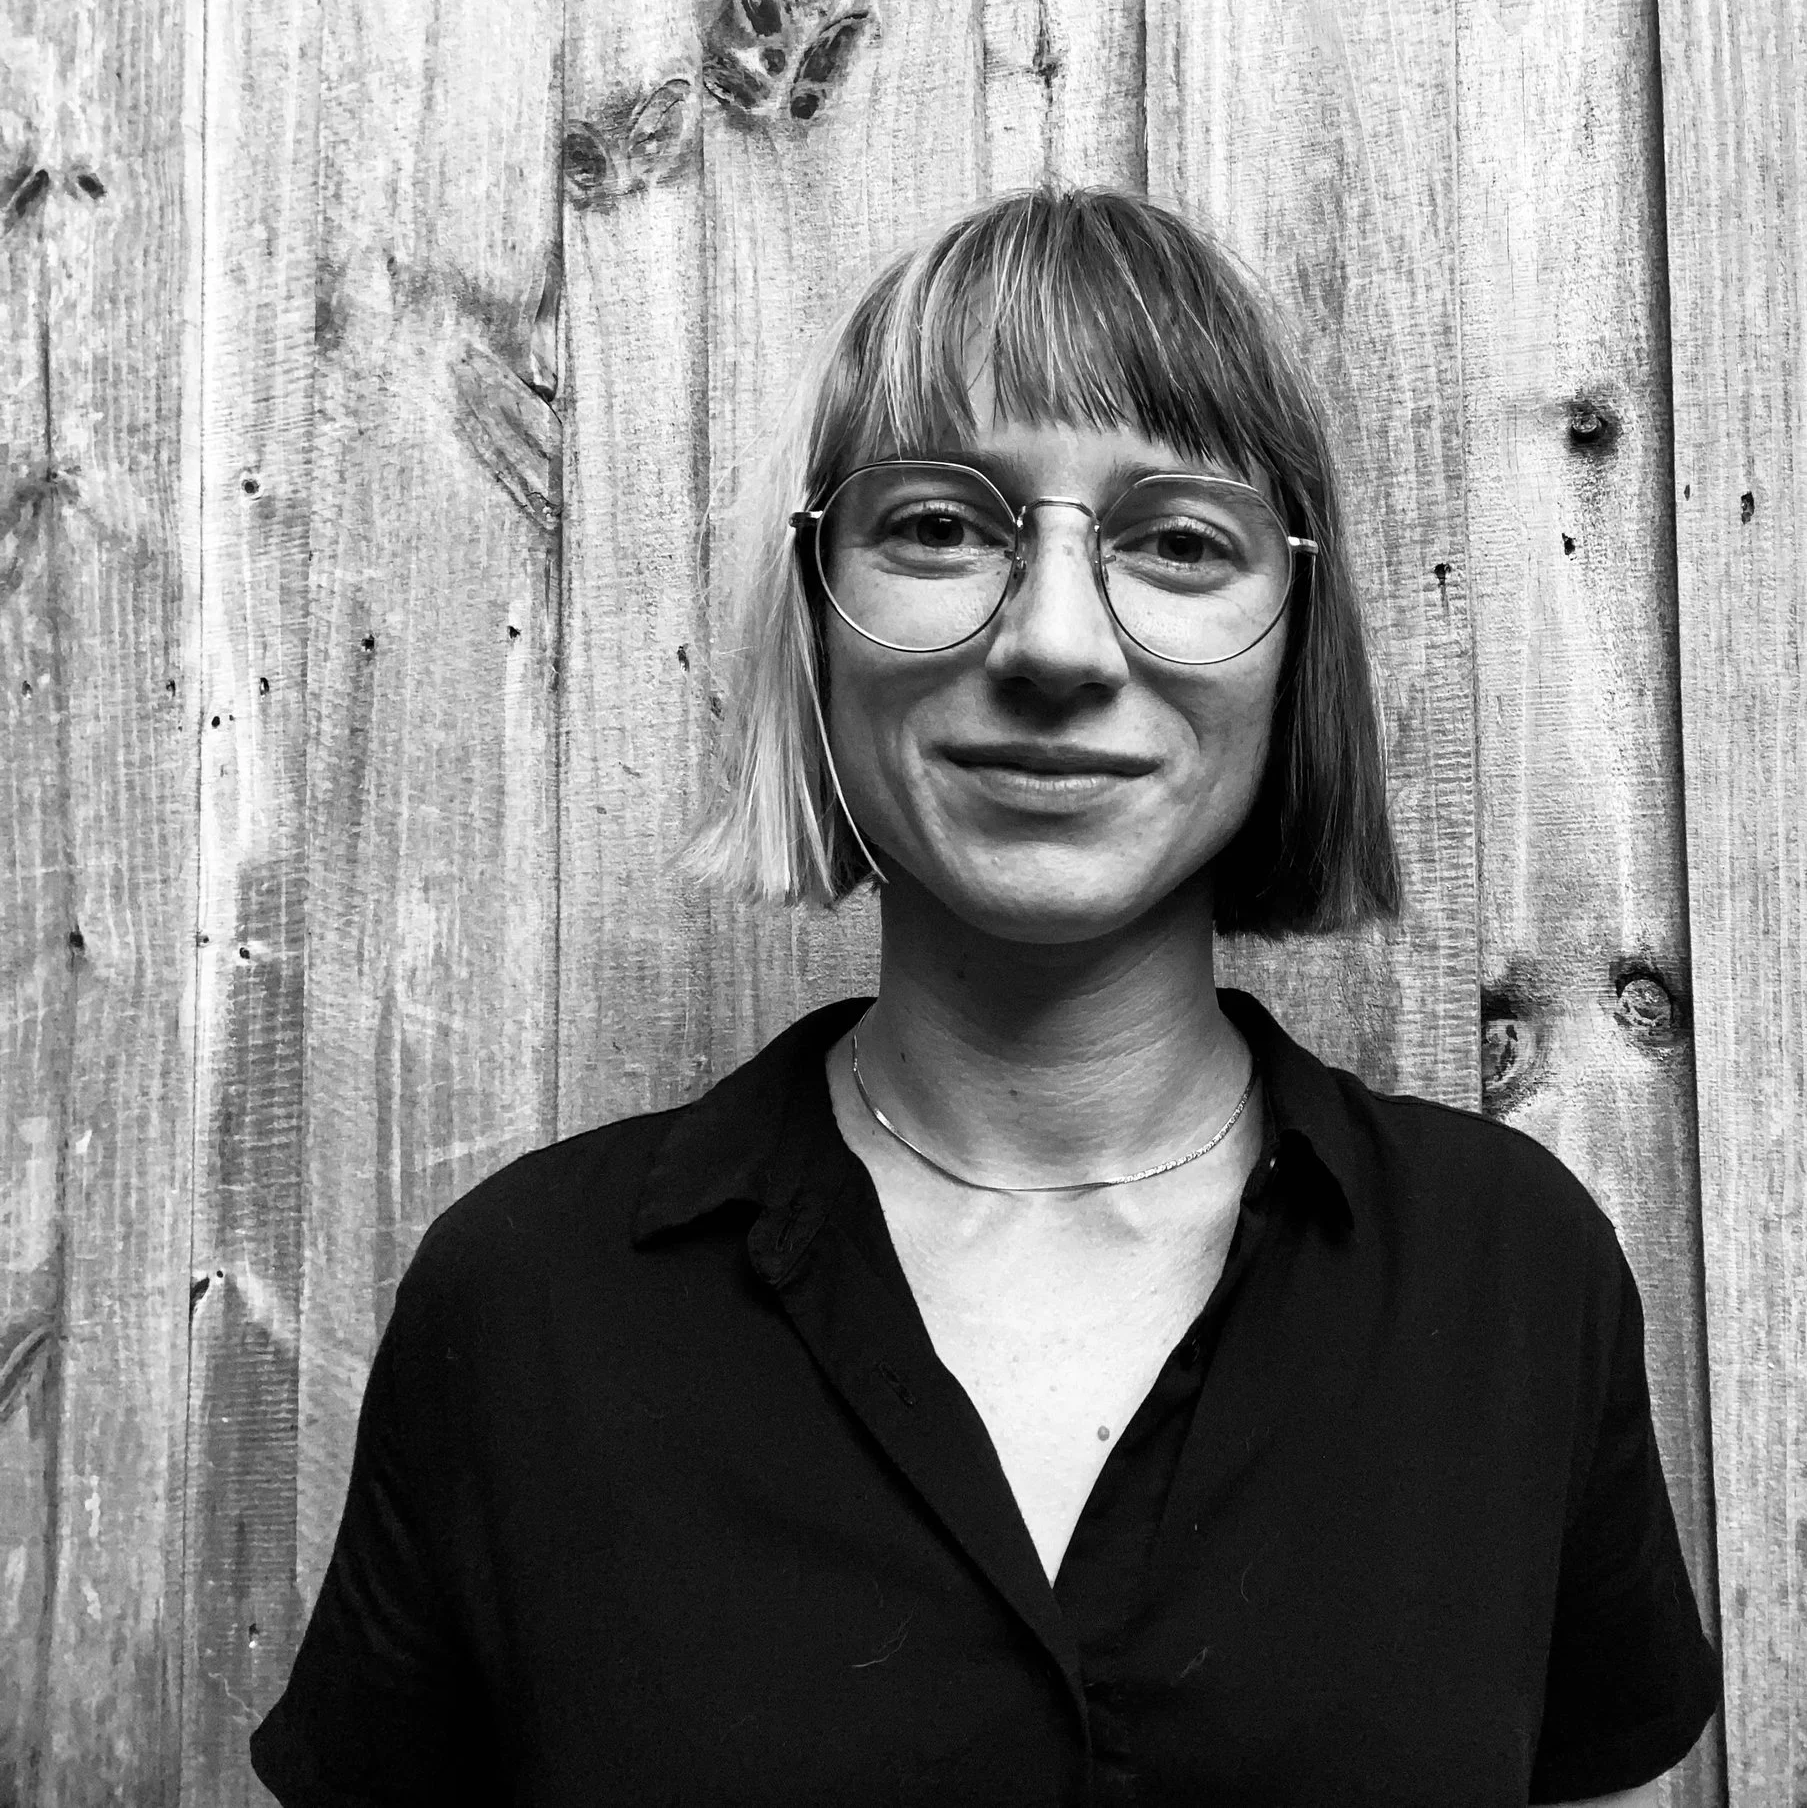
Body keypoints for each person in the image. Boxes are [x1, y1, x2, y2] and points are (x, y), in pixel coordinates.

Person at [249, 184, 1720, 1806]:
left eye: (1177, 539)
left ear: (1299, 642)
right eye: (942, 525)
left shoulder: (1514, 1278)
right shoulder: (525, 1306)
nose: (1057, 643)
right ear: (815, 613)